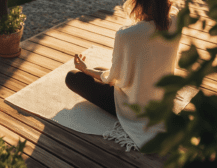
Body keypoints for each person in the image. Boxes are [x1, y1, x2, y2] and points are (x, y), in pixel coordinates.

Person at [65, 0, 181, 151]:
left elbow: (112, 79)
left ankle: (86, 72)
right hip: (161, 100)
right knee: (99, 69)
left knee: (73, 77)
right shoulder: (176, 22)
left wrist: (86, 70)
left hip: (134, 107)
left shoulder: (126, 34)